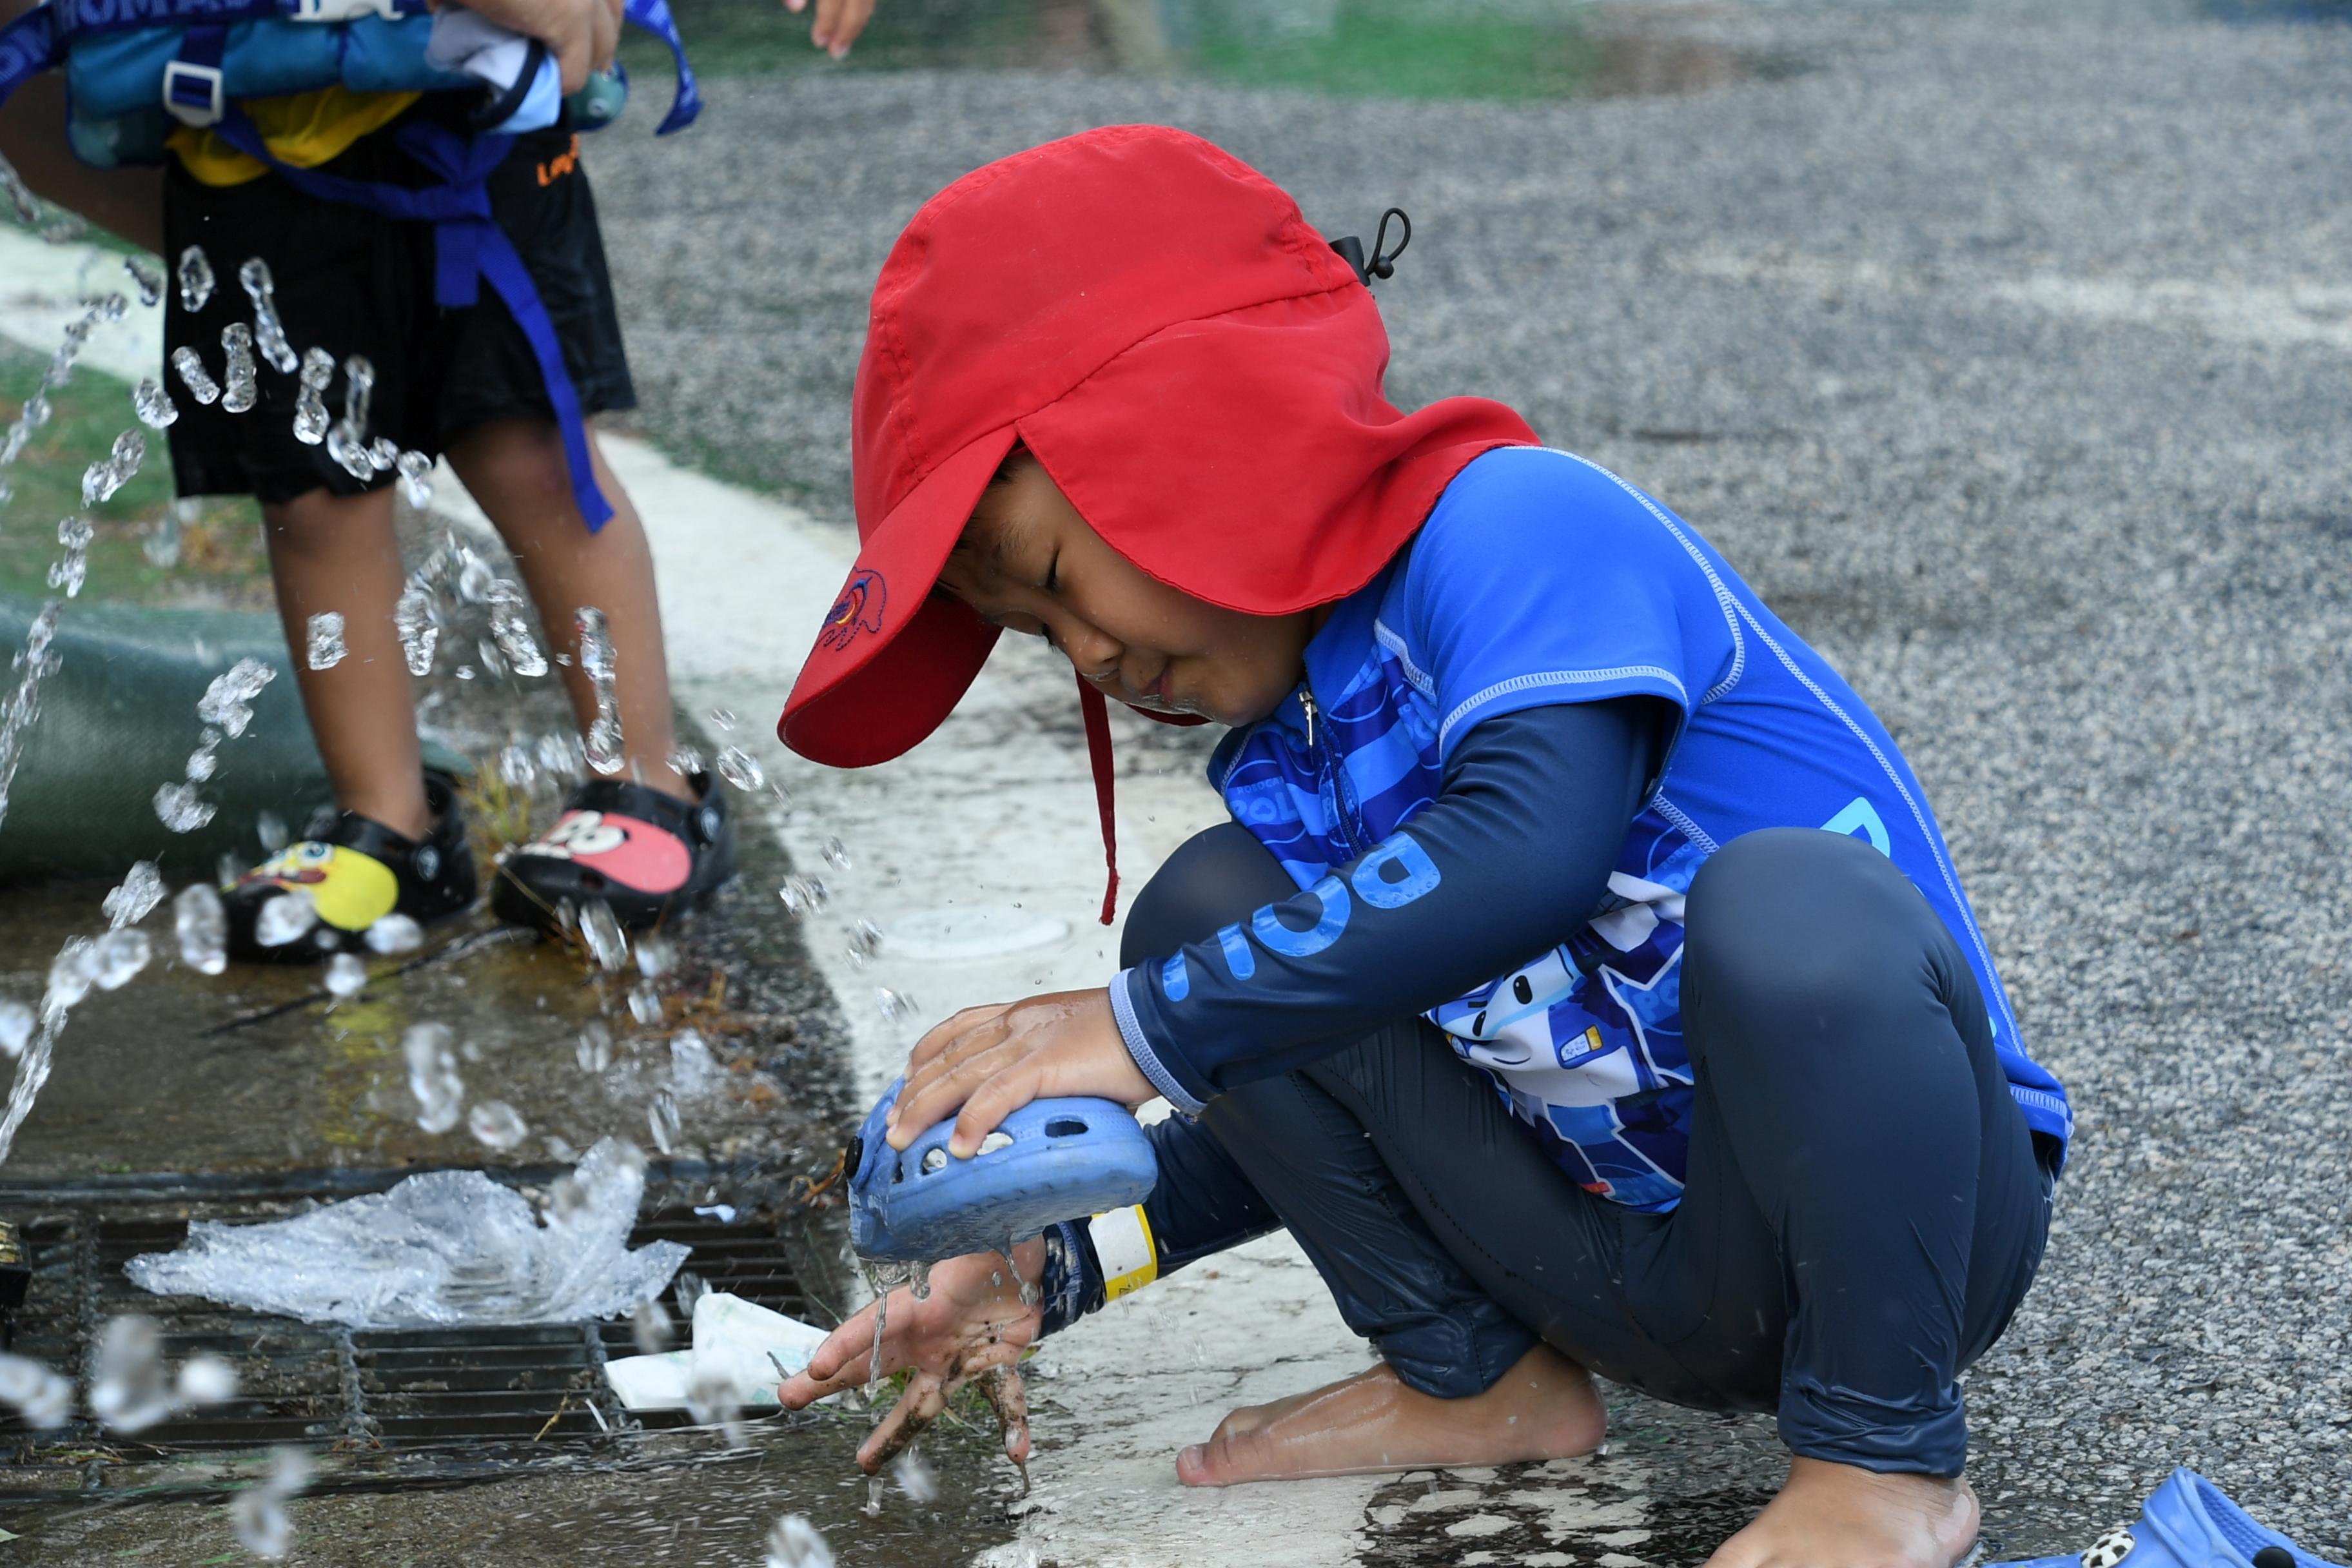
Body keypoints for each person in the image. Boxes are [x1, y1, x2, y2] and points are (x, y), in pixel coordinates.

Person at [770, 126, 2072, 1568]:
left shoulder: (1517, 526)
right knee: (1209, 913)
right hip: (1621, 1274)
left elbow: (1531, 848)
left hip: (1908, 1235)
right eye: (1037, 635)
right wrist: (1054, 1264)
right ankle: (1482, 1378)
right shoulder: (1295, 741)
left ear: (1197, 432)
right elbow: (1336, 1078)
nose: (1088, 653)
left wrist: (1141, 1032)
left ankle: (1881, 1460)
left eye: (1065, 578)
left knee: (1794, 908)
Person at [0, 0, 879, 959]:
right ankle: (390, 826)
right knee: (313, 496)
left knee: (534, 457)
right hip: (246, 136)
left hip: (472, 122)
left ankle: (647, 785)